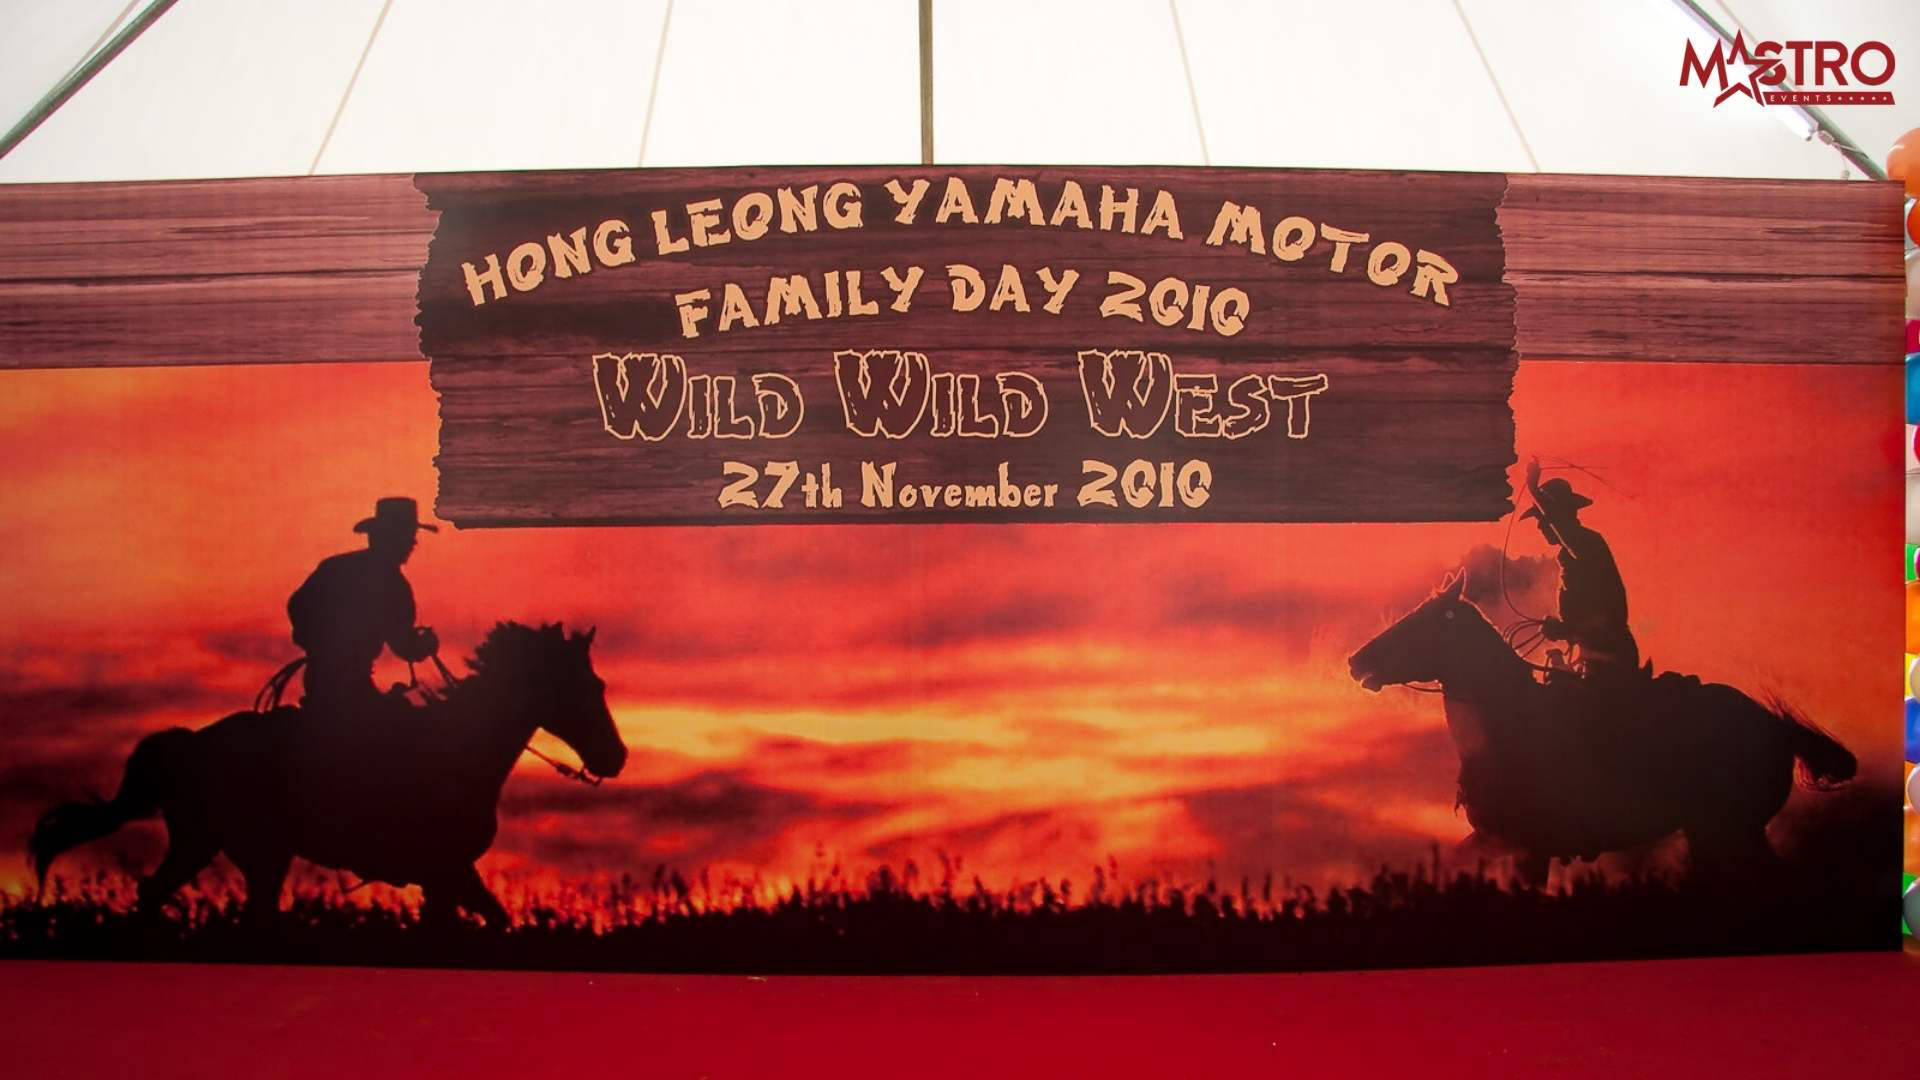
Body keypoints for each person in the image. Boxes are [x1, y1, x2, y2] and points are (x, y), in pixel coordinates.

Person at [288, 497, 441, 715]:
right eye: (408, 537)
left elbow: (297, 606)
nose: (412, 544)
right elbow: (403, 644)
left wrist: (316, 645)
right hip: (353, 685)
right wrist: (425, 645)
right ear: (392, 539)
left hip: (319, 680)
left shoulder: (334, 567)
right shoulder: (394, 587)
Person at [1522, 459, 1640, 683]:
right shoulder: (1577, 549)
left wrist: (1533, 489)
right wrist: (1564, 629)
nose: (1539, 525)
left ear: (1562, 515)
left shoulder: (1587, 543)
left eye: (1542, 517)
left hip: (1609, 657)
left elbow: (1599, 620)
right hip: (1595, 654)